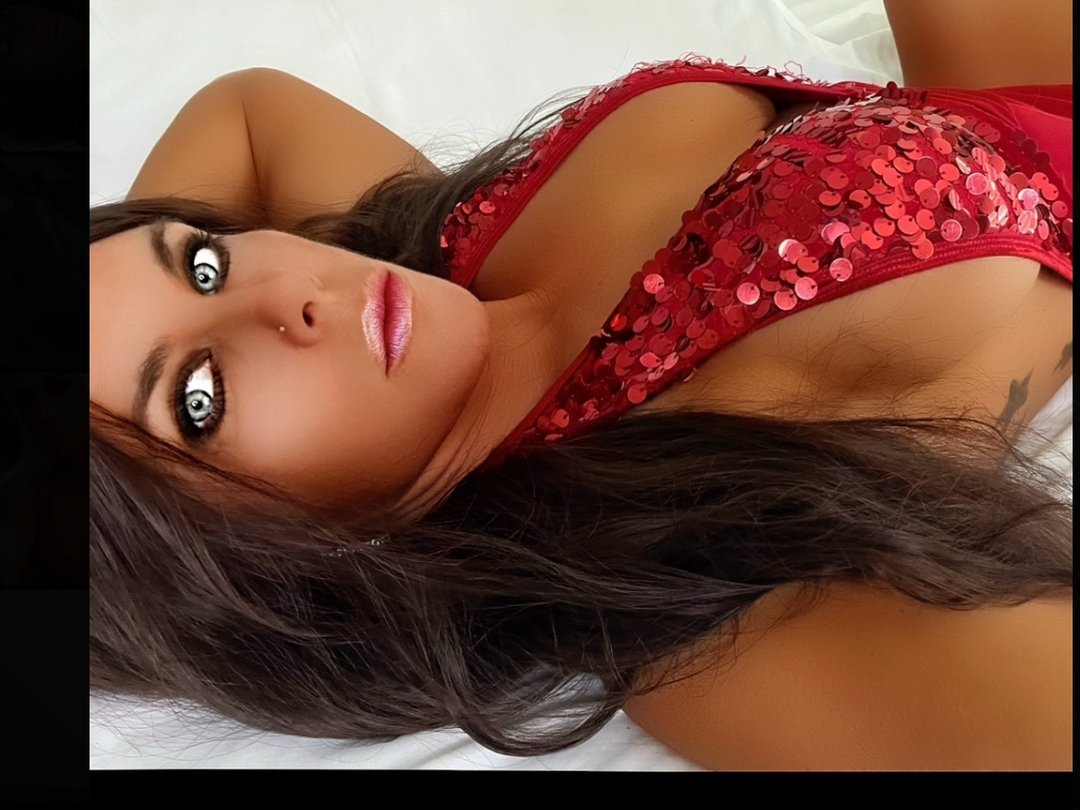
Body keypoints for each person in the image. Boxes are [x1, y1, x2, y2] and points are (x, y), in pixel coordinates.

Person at [89, 1, 1072, 769]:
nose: (287, 299)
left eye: (203, 263)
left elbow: (246, 106)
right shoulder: (682, 591)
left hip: (992, 77)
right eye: (200, 399)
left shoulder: (444, 266)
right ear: (240, 569)